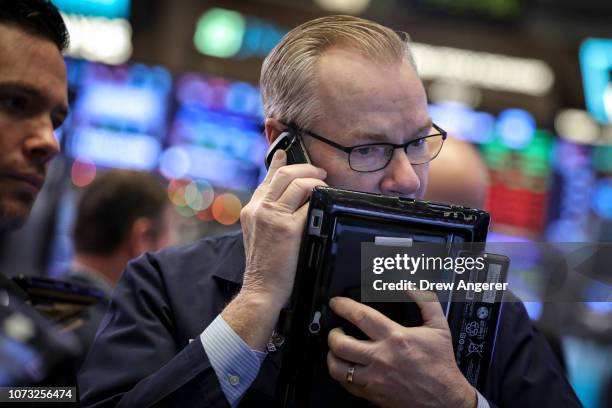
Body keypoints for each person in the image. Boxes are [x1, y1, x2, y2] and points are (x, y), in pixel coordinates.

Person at [78, 15, 582, 408]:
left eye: (417, 141)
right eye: (368, 150)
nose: (407, 178)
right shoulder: (164, 286)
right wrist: (253, 307)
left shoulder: (480, 302)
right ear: (283, 147)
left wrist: (455, 400)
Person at [68, 169, 173, 362]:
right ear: (141, 239)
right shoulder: (120, 342)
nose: (173, 249)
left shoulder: (27, 304)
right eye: (169, 236)